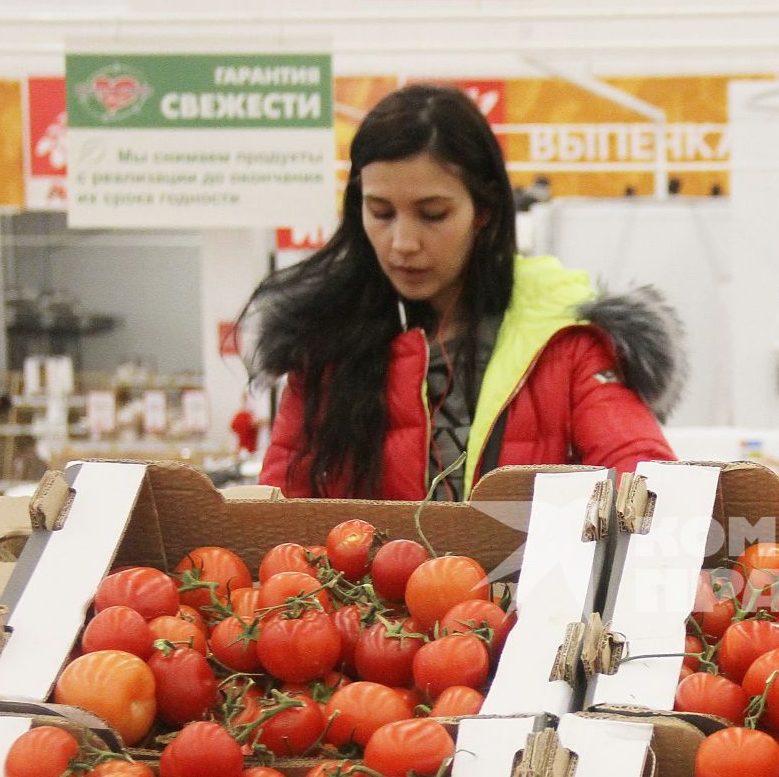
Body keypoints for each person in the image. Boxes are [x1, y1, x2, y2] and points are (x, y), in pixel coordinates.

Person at [251, 84, 683, 500]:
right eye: (380, 212)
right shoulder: (325, 346)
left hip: (523, 577)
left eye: (433, 214)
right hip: (355, 579)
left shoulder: (562, 335)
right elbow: (281, 520)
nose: (402, 242)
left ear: (485, 211)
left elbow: (641, 470)